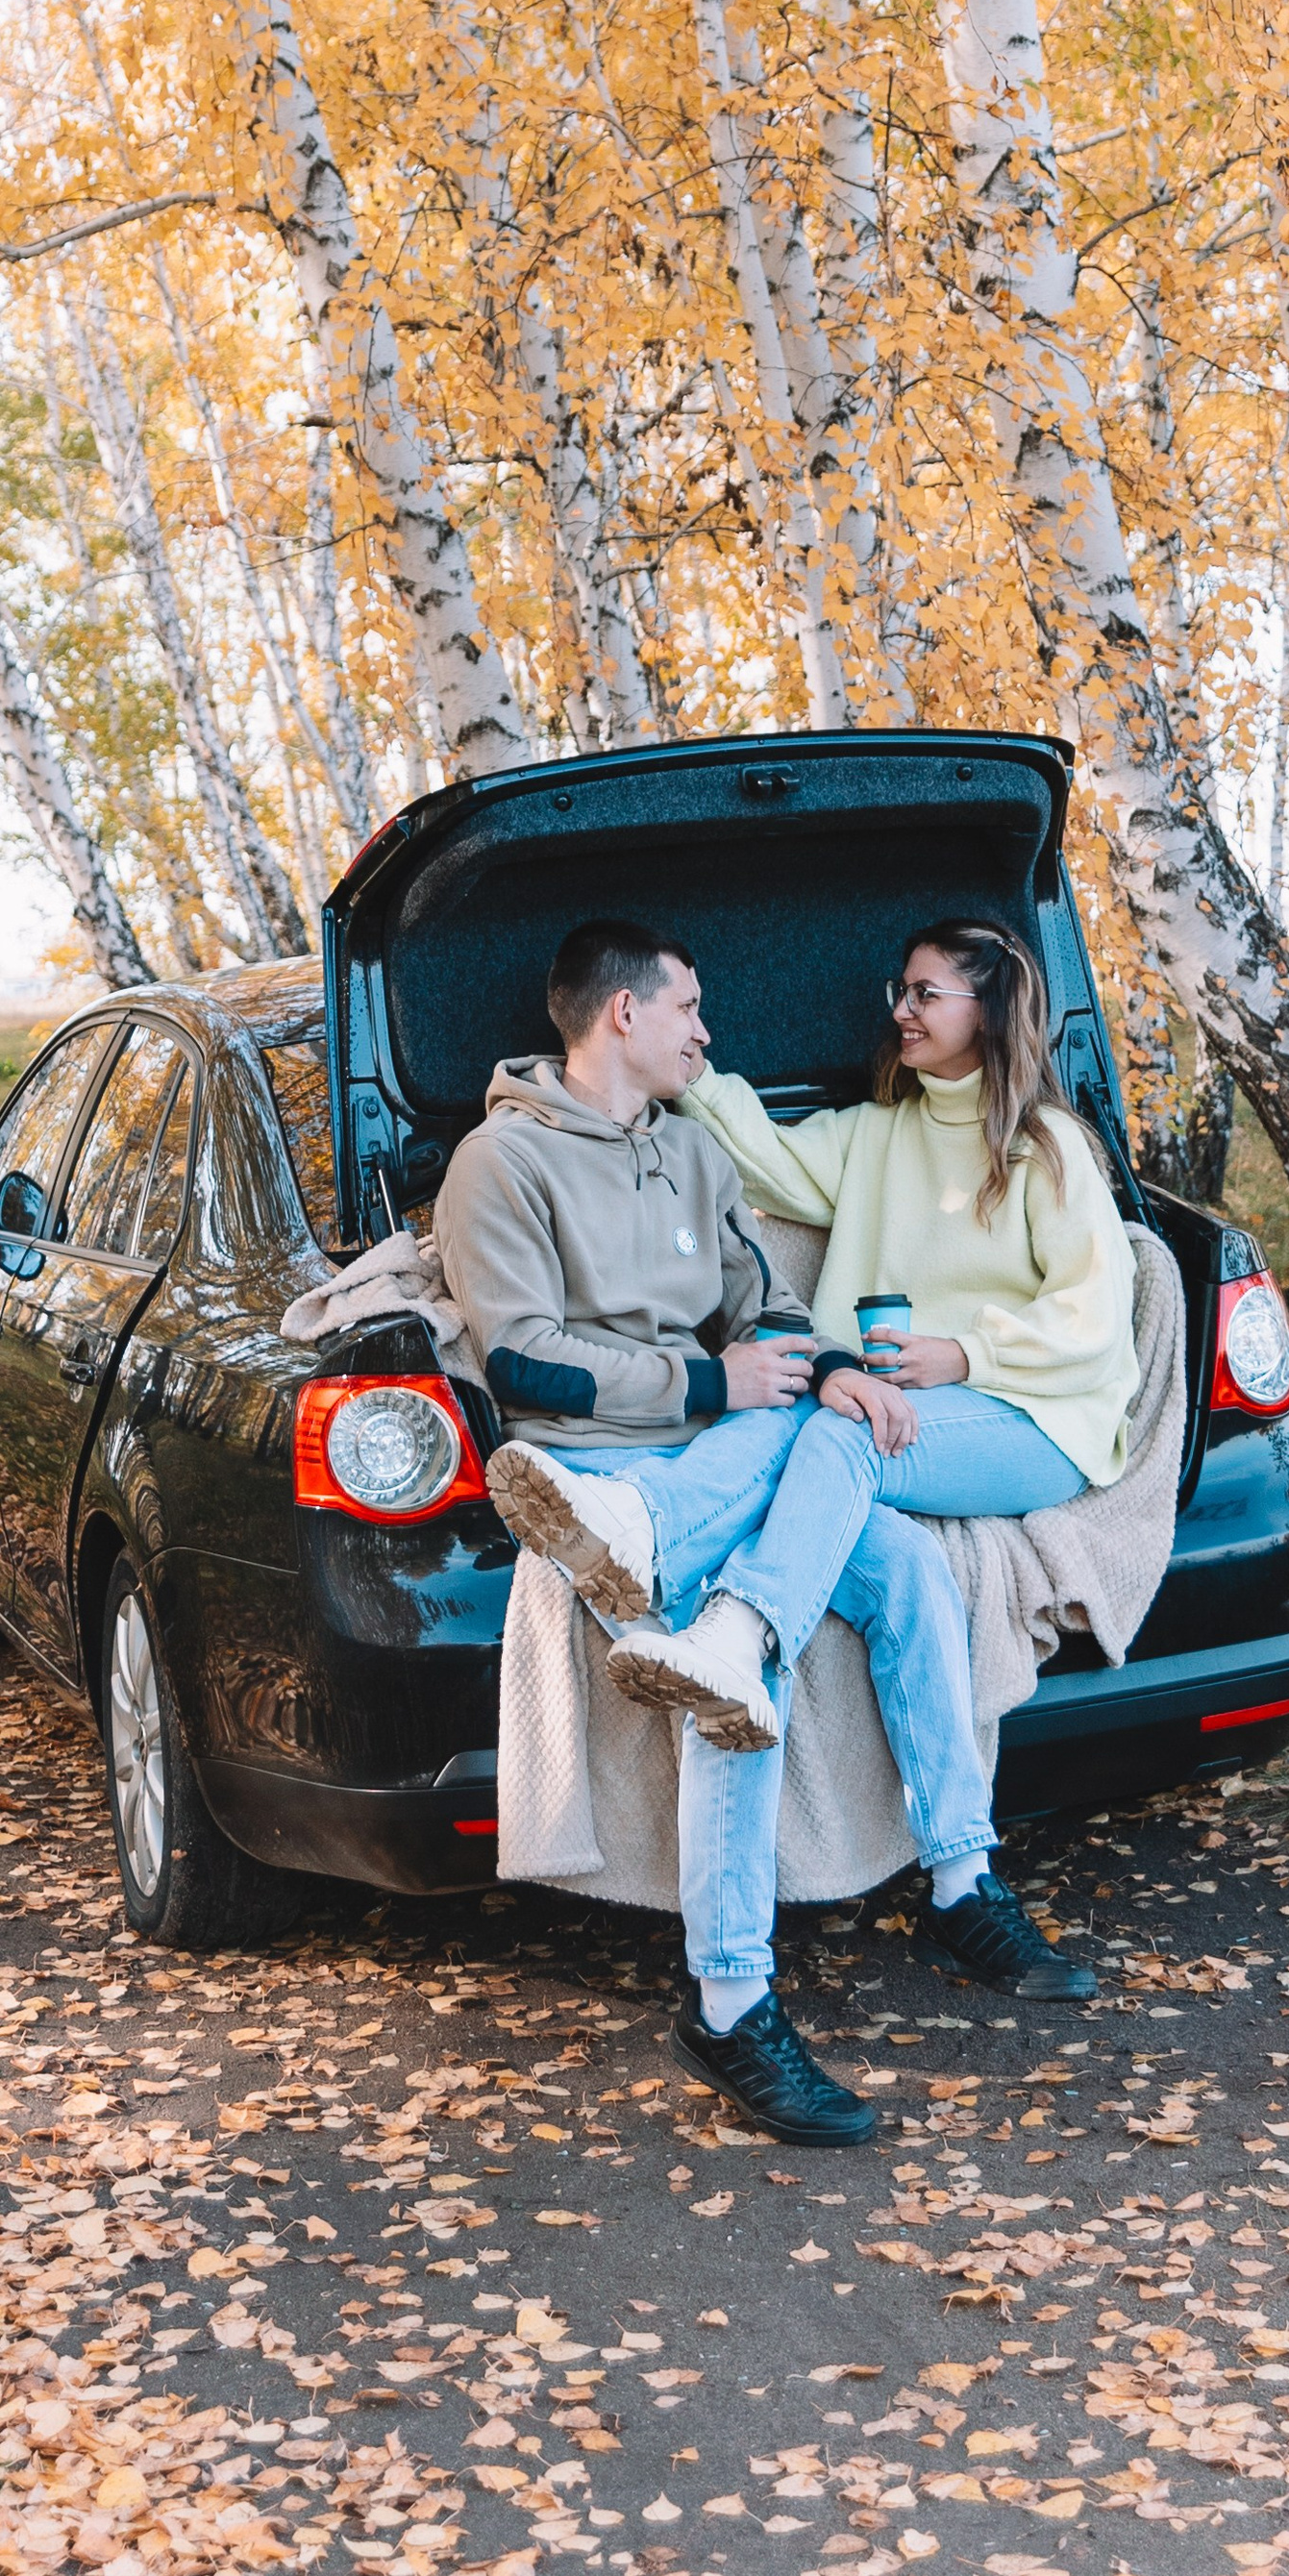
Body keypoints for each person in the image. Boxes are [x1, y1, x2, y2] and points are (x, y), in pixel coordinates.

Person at [435, 918, 1062, 2145]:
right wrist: (711, 1387)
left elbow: (763, 1306)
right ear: (624, 1014)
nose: (705, 1033)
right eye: (688, 1009)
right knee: (742, 1683)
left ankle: (959, 1880)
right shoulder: (498, 1164)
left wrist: (830, 1369)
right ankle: (727, 2003)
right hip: (594, 1462)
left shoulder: (687, 1148)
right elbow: (518, 1362)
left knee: (906, 1568)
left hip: (719, 1455)